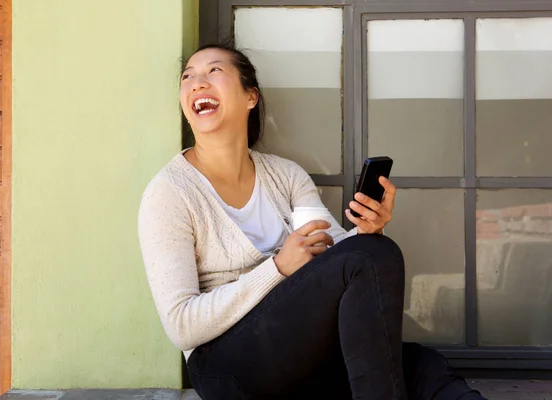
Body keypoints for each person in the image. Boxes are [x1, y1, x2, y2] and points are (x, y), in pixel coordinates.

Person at [138, 43, 486, 400]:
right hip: (227, 366)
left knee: (420, 363)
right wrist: (277, 268)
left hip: (300, 352)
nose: (196, 83)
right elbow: (182, 325)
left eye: (213, 71)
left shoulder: (285, 175)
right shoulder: (170, 193)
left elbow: (338, 254)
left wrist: (369, 230)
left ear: (250, 97)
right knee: (370, 258)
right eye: (187, 77)